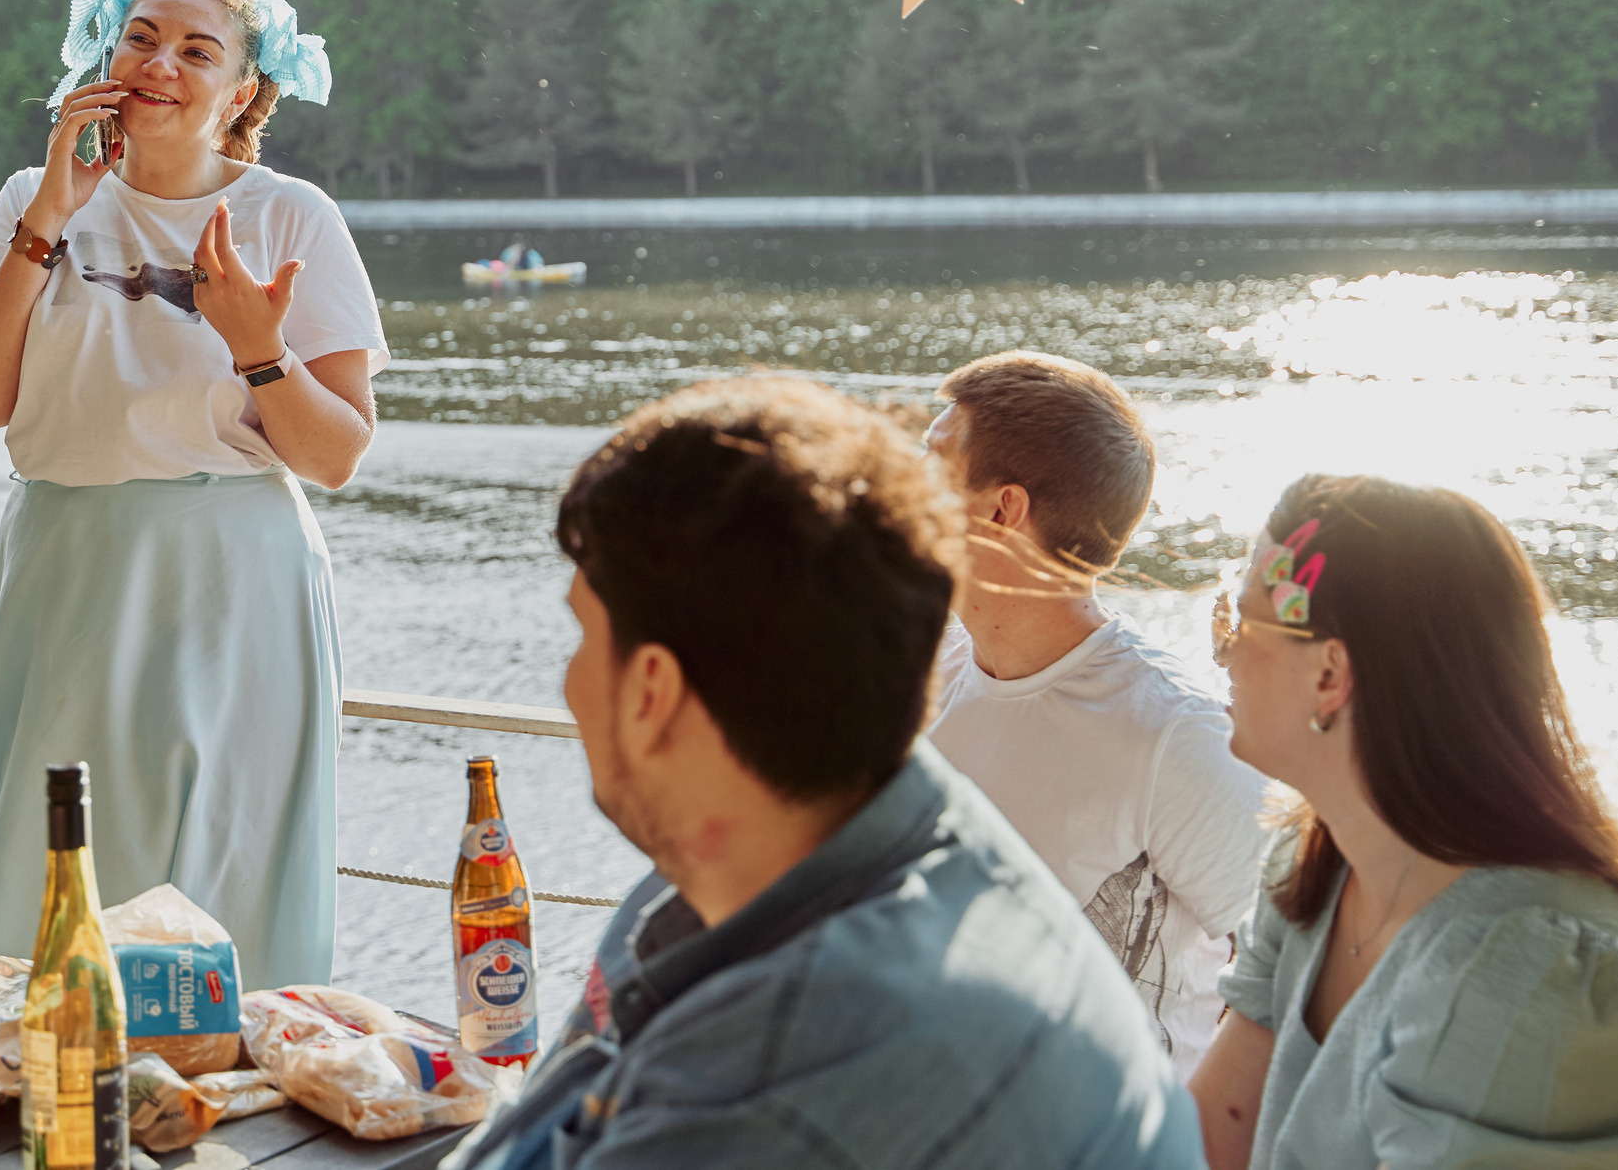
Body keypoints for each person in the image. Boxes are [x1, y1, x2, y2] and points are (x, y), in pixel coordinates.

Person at [448, 377, 1203, 1169]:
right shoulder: (901, 843)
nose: (569, 682)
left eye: (582, 636)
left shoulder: (784, 1076)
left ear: (653, 692)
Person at [0, 0, 386, 988]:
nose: (159, 66)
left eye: (195, 50)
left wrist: (257, 347)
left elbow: (336, 457)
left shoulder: (290, 216)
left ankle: (223, 1121)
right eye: (139, 39)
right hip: (66, 565)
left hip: (235, 576)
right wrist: (48, 218)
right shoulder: (27, 200)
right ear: (100, 59)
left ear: (241, 90)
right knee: (41, 871)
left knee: (219, 865)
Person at [1191, 475, 1618, 1168]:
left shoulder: (1529, 978)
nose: (1221, 652)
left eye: (1235, 619)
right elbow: (1209, 1138)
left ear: (1329, 675)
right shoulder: (1319, 866)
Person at [923, 352, 1268, 1074]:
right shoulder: (924, 680)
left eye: (932, 463)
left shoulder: (1177, 735)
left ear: (1001, 509)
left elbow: (1294, 973)